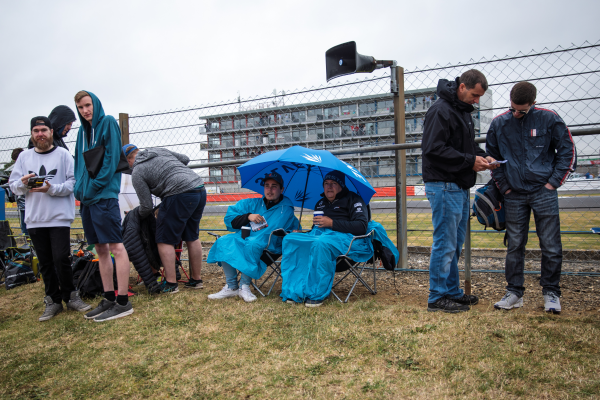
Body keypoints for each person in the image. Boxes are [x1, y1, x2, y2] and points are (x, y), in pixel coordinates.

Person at [486, 81, 576, 314]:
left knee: (551, 244)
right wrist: (505, 188)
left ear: (533, 103)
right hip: (514, 193)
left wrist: (553, 183)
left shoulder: (549, 118)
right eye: (513, 109)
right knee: (514, 245)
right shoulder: (499, 123)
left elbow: (567, 151)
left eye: (522, 111)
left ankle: (551, 292)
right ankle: (514, 292)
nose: (516, 113)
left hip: (543, 191)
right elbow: (492, 159)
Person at [421, 69, 498, 313]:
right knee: (445, 243)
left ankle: (451, 291)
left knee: (454, 244)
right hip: (444, 184)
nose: (477, 100)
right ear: (462, 87)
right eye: (475, 95)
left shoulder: (461, 111)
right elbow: (433, 149)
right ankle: (436, 296)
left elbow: (466, 146)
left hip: (458, 185)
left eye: (479, 97)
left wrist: (483, 156)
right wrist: (470, 161)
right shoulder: (441, 110)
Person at [9, 116, 90, 321]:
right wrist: (23, 184)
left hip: (58, 217)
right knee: (45, 262)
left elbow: (73, 183)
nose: (40, 134)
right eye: (36, 131)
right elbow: (13, 185)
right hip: (35, 218)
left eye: (44, 130)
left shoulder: (63, 154)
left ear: (51, 132)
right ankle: (53, 300)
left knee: (61, 258)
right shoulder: (24, 157)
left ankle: (70, 296)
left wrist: (51, 188)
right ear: (31, 134)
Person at [73, 90, 133, 322]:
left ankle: (123, 301)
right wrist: (80, 188)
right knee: (99, 249)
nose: (85, 111)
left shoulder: (107, 122)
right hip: (87, 198)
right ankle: (108, 297)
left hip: (104, 196)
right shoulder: (82, 132)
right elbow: (79, 163)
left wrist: (95, 185)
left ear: (95, 104)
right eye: (81, 107)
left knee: (116, 246)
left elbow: (111, 158)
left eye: (88, 105)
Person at [280, 170, 371, 307]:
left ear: (341, 185)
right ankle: (295, 290)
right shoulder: (321, 203)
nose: (329, 187)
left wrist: (332, 223)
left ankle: (316, 294)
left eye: (333, 183)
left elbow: (361, 227)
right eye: (326, 183)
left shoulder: (354, 199)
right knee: (290, 239)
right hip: (321, 237)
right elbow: (316, 228)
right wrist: (304, 233)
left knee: (321, 243)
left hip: (346, 240)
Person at [124, 144, 206, 294]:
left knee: (164, 240)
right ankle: (196, 280)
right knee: (192, 236)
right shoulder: (157, 150)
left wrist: (135, 215)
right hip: (199, 188)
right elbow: (185, 159)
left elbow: (146, 206)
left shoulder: (137, 171)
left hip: (178, 194)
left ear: (128, 161)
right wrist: (170, 169)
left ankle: (171, 284)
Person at [206, 171, 298, 302]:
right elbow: (230, 218)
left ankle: (244, 286)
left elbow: (292, 227)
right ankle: (232, 286)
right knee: (223, 241)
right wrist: (248, 216)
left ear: (282, 189)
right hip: (246, 238)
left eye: (274, 186)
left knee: (253, 244)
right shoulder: (253, 203)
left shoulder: (286, 209)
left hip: (269, 246)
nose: (270, 190)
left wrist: (295, 231)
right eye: (267, 186)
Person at [10, 148, 28, 235]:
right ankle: (27, 241)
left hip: (27, 204)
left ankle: (29, 241)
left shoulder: (27, 168)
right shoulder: (17, 170)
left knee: (28, 229)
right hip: (22, 204)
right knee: (24, 229)